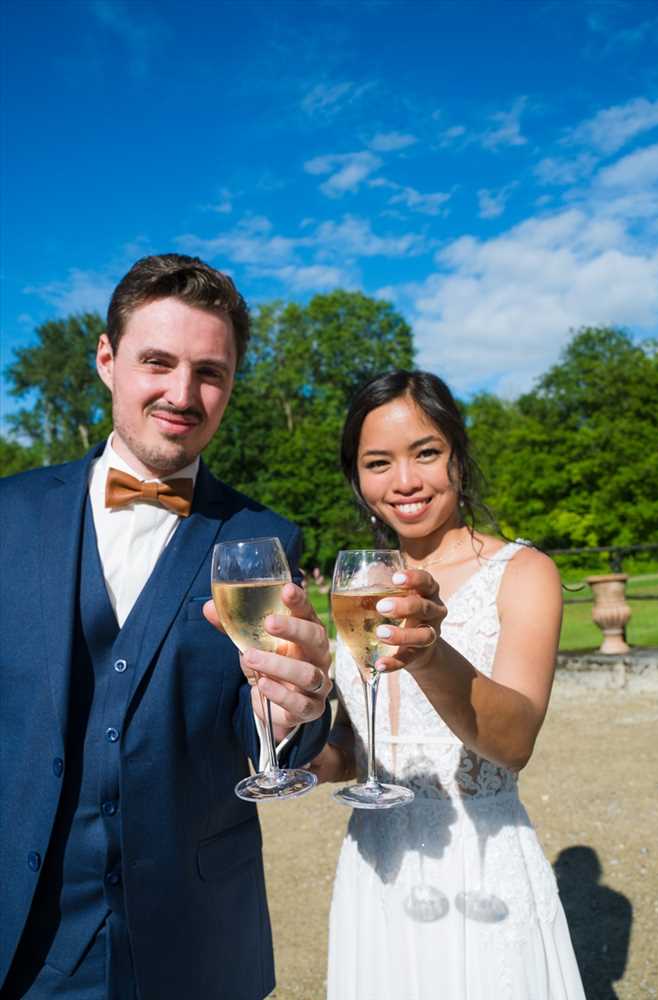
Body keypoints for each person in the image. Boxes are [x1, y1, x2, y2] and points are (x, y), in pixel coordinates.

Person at [0, 254, 332, 1000]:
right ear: (107, 359)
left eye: (210, 373)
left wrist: (294, 713)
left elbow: (267, 728)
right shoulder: (6, 515)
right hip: (21, 938)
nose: (182, 395)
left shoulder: (263, 537)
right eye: (157, 362)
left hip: (196, 937)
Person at [310, 370, 585, 999]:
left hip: (481, 867)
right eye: (378, 463)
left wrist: (430, 655)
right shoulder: (358, 583)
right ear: (357, 478)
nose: (404, 481)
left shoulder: (524, 573)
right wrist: (291, 737)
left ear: (458, 455)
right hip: (376, 866)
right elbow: (355, 751)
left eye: (426, 453)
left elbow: (514, 742)